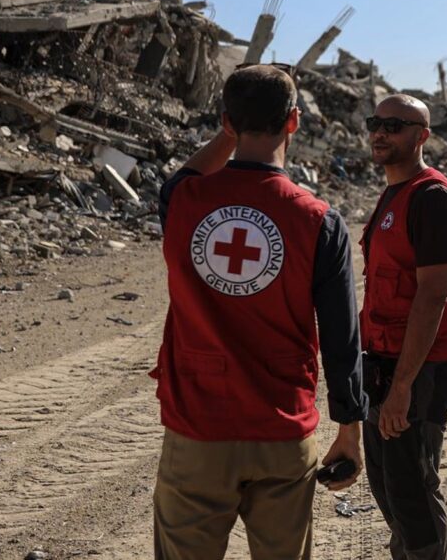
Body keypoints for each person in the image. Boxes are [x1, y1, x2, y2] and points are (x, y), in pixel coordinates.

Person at [150, 64, 368, 560]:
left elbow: (185, 173)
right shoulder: (319, 221)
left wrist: (230, 131)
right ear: (294, 122)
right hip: (282, 430)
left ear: (226, 122)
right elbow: (341, 337)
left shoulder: (183, 201)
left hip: (197, 428)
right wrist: (350, 430)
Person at [360, 94, 447, 560]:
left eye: (396, 125)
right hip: (384, 362)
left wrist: (402, 385)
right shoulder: (394, 192)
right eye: (376, 123)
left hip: (422, 368)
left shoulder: (433, 198)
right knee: (387, 485)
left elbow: (432, 296)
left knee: (414, 493)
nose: (381, 132)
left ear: (422, 136)